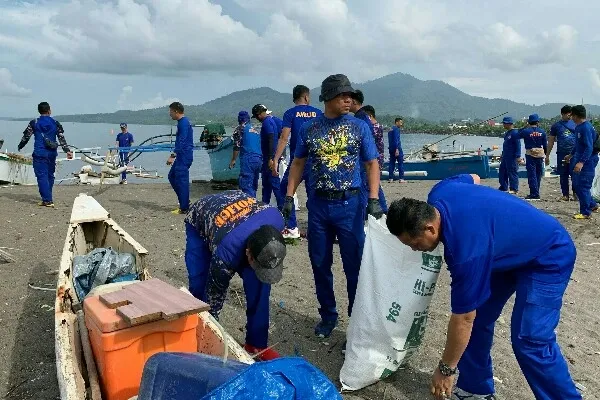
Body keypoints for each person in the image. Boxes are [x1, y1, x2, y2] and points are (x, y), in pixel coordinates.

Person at [386, 174, 582, 400]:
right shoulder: (441, 191)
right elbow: (475, 178)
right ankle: (474, 389)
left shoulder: (464, 254)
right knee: (479, 319)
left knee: (530, 338)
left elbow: (463, 318)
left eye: (414, 243)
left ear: (430, 228)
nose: (414, 249)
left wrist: (446, 369)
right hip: (502, 253)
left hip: (548, 254)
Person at [282, 74, 383, 348]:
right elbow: (298, 163)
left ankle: (357, 319)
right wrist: (289, 196)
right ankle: (328, 316)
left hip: (350, 205)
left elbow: (372, 164)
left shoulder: (360, 127)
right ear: (327, 98)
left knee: (354, 265)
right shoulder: (310, 129)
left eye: (350, 94)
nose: (348, 99)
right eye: (342, 95)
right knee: (319, 262)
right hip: (318, 206)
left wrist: (373, 198)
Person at [184, 190, 286, 360]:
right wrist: (212, 338)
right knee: (199, 284)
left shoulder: (278, 220)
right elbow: (214, 298)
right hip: (202, 216)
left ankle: (256, 343)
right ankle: (195, 335)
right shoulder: (226, 253)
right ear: (248, 253)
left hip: (238, 214)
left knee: (260, 284)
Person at [272, 85, 323, 239]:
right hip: (316, 160)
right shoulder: (319, 113)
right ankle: (316, 229)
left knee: (284, 190)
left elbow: (283, 138)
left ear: (294, 98)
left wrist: (275, 159)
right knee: (314, 194)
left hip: (298, 160)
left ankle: (291, 226)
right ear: (306, 97)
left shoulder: (290, 113)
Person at [17, 102, 73, 207]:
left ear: (39, 111)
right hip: (52, 153)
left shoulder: (34, 122)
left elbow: (26, 136)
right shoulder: (55, 123)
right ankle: (48, 196)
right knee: (49, 175)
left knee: (41, 176)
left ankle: (47, 200)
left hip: (39, 153)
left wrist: (20, 145)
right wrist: (67, 151)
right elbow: (61, 138)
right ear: (49, 111)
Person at [349, 90, 388, 214]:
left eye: (348, 100)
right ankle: (382, 212)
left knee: (366, 186)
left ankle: (375, 212)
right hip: (370, 158)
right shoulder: (364, 117)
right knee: (373, 184)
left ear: (354, 101)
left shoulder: (360, 118)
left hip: (364, 160)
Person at [564, 105, 599, 219]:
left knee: (582, 186)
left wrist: (581, 163)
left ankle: (585, 212)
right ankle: (593, 205)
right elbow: (578, 144)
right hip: (579, 158)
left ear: (576, 116)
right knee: (577, 184)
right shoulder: (579, 127)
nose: (571, 118)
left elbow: (589, 147)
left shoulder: (586, 127)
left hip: (588, 160)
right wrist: (571, 155)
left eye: (572, 115)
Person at [252, 104, 284, 209]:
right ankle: (264, 206)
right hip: (269, 157)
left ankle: (282, 208)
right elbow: (280, 135)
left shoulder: (267, 122)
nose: (257, 119)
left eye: (256, 116)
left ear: (260, 114)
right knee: (266, 184)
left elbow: (271, 138)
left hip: (270, 158)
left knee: (275, 184)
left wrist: (271, 158)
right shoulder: (273, 121)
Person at [166, 102, 194, 214]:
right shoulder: (182, 122)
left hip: (184, 156)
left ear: (176, 111)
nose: (170, 114)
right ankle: (185, 201)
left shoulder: (183, 123)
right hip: (182, 155)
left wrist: (172, 155)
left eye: (171, 112)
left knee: (182, 181)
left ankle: (184, 208)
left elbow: (181, 141)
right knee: (172, 176)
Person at [230, 111, 262, 198]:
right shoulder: (255, 130)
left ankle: (250, 208)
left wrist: (233, 160)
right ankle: (254, 205)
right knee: (253, 185)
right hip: (259, 159)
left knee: (246, 185)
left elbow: (237, 146)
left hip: (248, 159)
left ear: (239, 119)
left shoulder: (240, 128)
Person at [547, 105, 577, 201]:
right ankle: (565, 195)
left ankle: (576, 194)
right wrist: (547, 155)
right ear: (563, 114)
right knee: (563, 174)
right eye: (568, 114)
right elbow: (551, 141)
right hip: (561, 153)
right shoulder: (556, 126)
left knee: (575, 174)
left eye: (571, 115)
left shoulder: (575, 124)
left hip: (574, 153)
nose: (570, 116)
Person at [519, 113, 547, 200]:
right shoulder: (542, 132)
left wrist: (524, 126)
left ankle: (534, 194)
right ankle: (536, 191)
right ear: (538, 122)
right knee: (538, 174)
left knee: (532, 174)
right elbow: (545, 145)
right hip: (540, 154)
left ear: (529, 122)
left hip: (530, 154)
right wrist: (545, 155)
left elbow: (517, 134)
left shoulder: (526, 131)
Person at [497, 116, 521, 194]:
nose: (503, 125)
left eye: (504, 123)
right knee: (502, 171)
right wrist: (502, 154)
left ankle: (514, 188)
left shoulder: (515, 133)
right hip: (505, 156)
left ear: (509, 124)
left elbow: (518, 145)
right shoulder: (507, 133)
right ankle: (503, 187)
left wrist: (518, 156)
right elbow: (506, 145)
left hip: (512, 157)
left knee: (512, 172)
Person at [388, 118, 405, 182]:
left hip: (391, 148)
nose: (401, 124)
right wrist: (397, 149)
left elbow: (390, 140)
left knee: (392, 163)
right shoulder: (396, 129)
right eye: (400, 122)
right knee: (400, 163)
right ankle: (401, 178)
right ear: (396, 122)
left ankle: (390, 178)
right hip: (397, 148)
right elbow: (396, 140)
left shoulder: (390, 129)